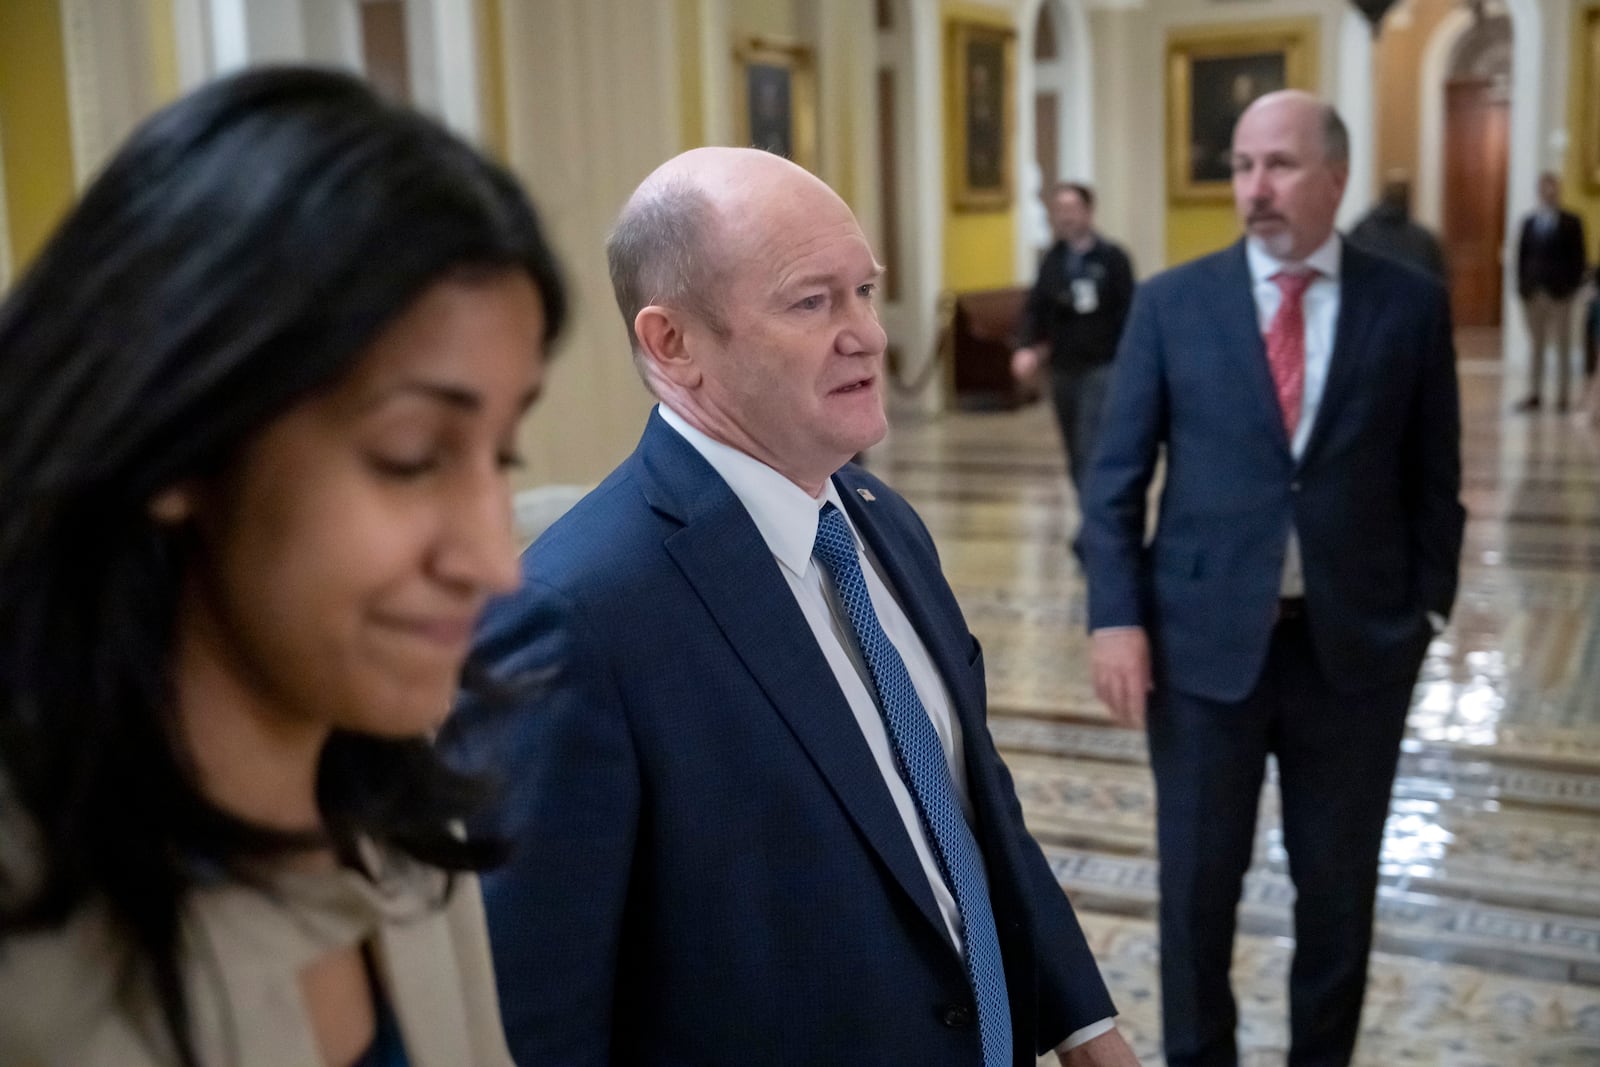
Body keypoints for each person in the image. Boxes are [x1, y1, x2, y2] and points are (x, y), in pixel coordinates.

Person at [446, 146, 1138, 1066]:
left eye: (864, 290)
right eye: (812, 302)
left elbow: (969, 809)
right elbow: (538, 1009)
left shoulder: (882, 521)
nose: (868, 333)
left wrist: (1083, 1023)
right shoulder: (576, 616)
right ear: (673, 343)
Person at [0, 67, 567, 1067]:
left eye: (502, 454)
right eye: (409, 456)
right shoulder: (34, 961)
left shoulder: (407, 821)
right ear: (179, 440)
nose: (493, 560)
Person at [1079, 92, 1463, 1067]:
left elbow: (1436, 479)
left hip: (1355, 654)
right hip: (1201, 652)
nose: (1255, 187)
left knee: (1336, 895)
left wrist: (1422, 610)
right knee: (1197, 890)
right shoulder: (1173, 303)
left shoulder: (1407, 303)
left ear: (1334, 175)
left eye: (1280, 165)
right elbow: (1115, 482)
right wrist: (1115, 619)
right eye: (1243, 165)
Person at [1011, 182, 1136, 497]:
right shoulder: (1053, 260)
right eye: (1059, 211)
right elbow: (1036, 308)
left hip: (1101, 365)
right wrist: (1026, 347)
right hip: (1064, 367)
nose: (1065, 218)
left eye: (1071, 210)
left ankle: (1096, 517)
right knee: (1073, 445)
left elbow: (1129, 312)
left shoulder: (1112, 259)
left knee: (1089, 442)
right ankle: (1089, 507)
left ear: (1088, 212)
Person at [1514, 172, 1588, 411]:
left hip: (1560, 293)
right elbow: (1521, 257)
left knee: (1563, 345)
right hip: (1534, 292)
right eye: (1544, 188)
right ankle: (1535, 392)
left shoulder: (1571, 222)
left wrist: (1571, 287)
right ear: (1539, 191)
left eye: (1552, 188)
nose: (1549, 193)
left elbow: (1579, 258)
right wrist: (1522, 287)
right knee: (1536, 344)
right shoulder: (1529, 223)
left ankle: (1563, 396)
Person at [1348, 178, 1447, 282]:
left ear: (1383, 198)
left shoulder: (1360, 232)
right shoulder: (1424, 240)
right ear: (1408, 201)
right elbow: (1439, 283)